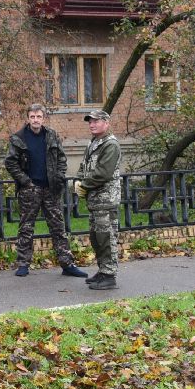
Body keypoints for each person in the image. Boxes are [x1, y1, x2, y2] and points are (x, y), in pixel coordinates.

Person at [3, 104, 88, 279]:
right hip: (29, 189)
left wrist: (58, 176)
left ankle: (67, 264)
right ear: (28, 118)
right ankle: (23, 264)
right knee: (26, 227)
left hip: (51, 188)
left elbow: (62, 158)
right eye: (32, 117)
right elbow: (10, 162)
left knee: (58, 227)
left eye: (39, 117)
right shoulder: (18, 138)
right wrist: (25, 181)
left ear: (44, 118)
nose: (35, 120)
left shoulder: (52, 135)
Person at [75, 109, 123, 291]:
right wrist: (79, 180)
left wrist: (84, 186)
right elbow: (84, 166)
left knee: (106, 237)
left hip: (106, 199)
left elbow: (103, 173)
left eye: (96, 121)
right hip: (95, 201)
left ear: (106, 123)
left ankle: (109, 275)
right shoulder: (94, 142)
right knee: (96, 237)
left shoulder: (111, 145)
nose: (92, 124)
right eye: (90, 122)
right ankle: (103, 271)